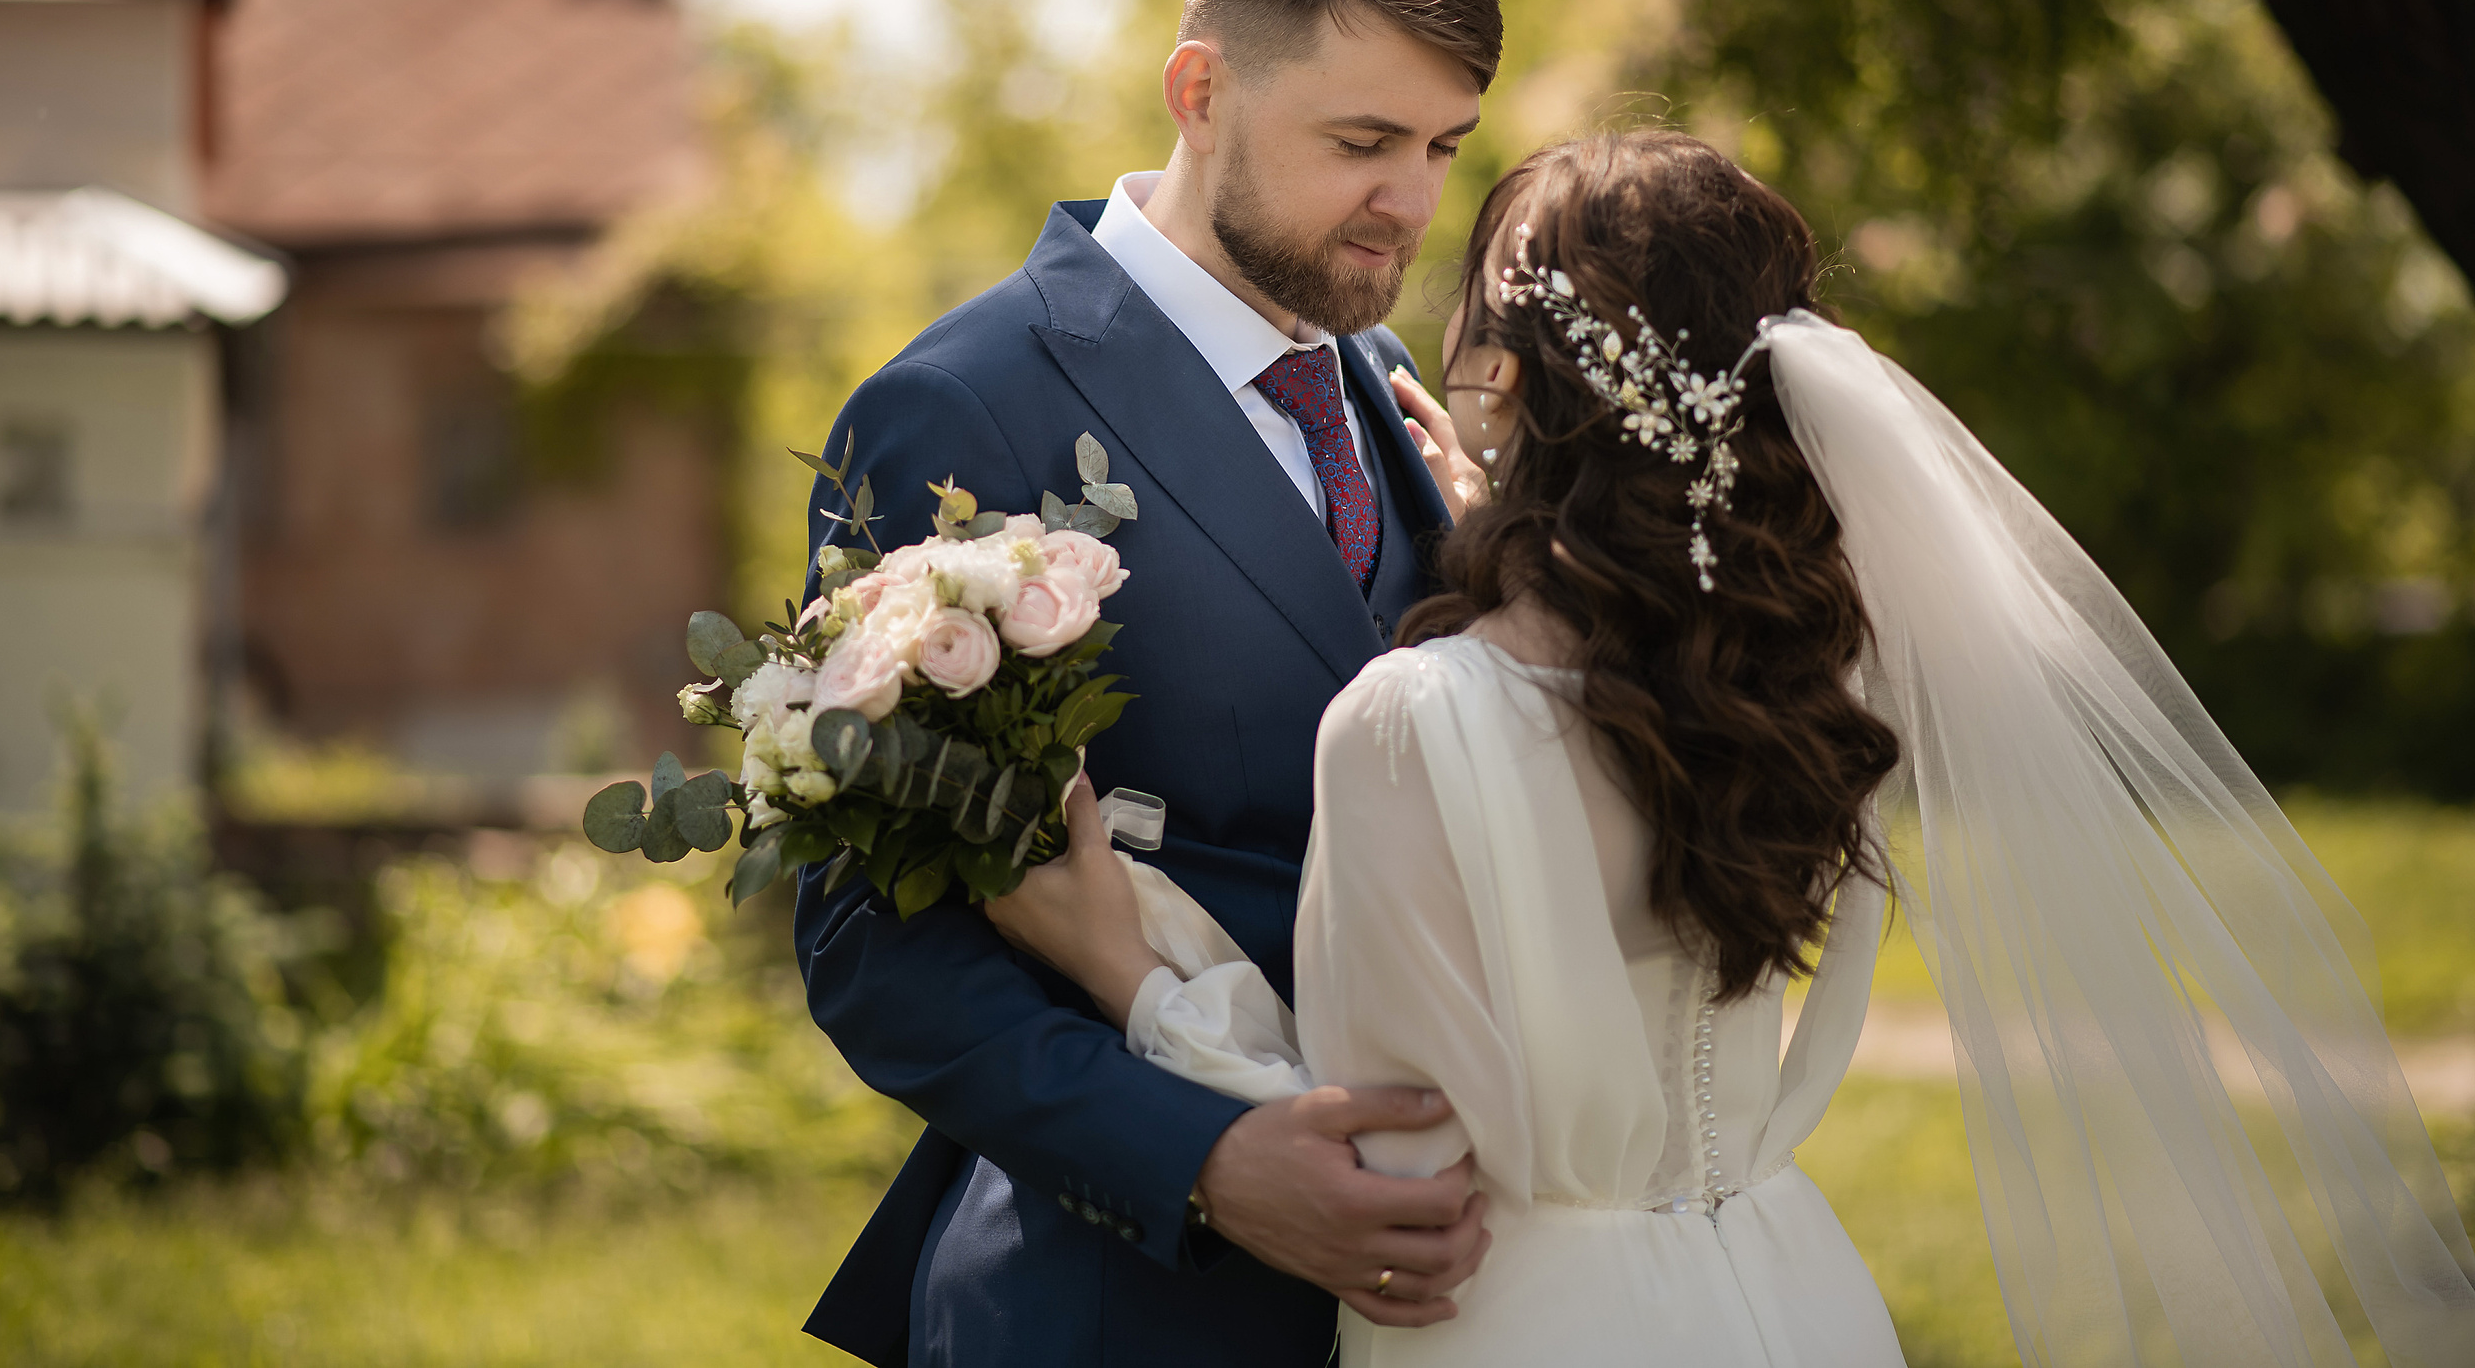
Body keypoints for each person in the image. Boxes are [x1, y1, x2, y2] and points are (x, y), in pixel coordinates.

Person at [988, 130, 2475, 1365]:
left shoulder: (1416, 718)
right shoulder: (1825, 674)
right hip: (1787, 1292)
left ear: (1500, 391)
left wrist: (1134, 969)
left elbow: (1397, 1170)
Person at [793, 0, 1505, 1368]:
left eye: (1444, 150)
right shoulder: (956, 411)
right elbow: (871, 940)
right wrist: (1203, 1160)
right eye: (1363, 140)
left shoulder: (1391, 391)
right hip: (1118, 1297)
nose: (1409, 203)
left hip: (1447, 1295)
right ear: (1201, 92)